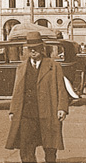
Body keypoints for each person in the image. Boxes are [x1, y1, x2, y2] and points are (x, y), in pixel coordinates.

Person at [5, 31, 69, 163]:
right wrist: (13, 110)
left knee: (50, 149)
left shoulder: (53, 66)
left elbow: (61, 89)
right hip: (27, 115)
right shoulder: (21, 68)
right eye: (30, 48)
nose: (33, 51)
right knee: (26, 150)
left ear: (42, 48)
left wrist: (62, 108)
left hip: (48, 113)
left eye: (36, 48)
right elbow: (16, 91)